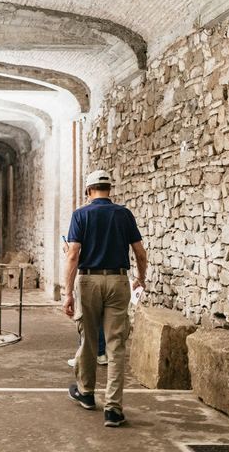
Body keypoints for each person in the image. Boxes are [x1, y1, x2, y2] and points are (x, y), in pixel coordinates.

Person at [63, 169, 147, 427]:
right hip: (118, 280)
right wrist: (141, 279)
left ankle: (86, 394)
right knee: (115, 344)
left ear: (89, 191)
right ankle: (113, 409)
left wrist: (68, 292)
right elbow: (140, 253)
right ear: (109, 190)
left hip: (88, 281)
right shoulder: (124, 214)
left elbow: (73, 255)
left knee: (88, 339)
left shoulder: (81, 215)